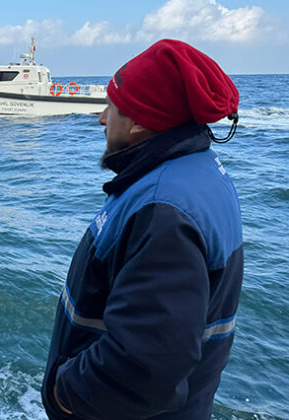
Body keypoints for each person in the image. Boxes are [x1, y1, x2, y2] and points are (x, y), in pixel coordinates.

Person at [41, 39, 243, 420]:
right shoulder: (197, 172)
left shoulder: (163, 211)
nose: (102, 118)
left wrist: (63, 394)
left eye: (112, 107)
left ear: (139, 123)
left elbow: (148, 364)